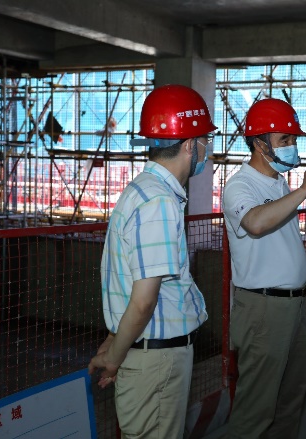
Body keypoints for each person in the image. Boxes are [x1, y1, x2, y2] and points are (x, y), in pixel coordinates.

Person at [88, 84, 214, 438]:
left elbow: (127, 279)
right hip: (157, 360)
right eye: (204, 140)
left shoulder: (140, 190)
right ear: (189, 145)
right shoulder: (158, 202)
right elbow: (144, 300)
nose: (207, 149)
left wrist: (115, 340)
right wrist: (115, 357)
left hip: (144, 352)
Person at [222, 98, 306, 439]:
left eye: (293, 139)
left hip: (292, 305)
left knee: (290, 398)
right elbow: (255, 223)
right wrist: (305, 190)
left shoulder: (278, 183)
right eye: (285, 139)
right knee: (256, 407)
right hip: (263, 308)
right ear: (259, 143)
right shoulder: (241, 185)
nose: (292, 146)